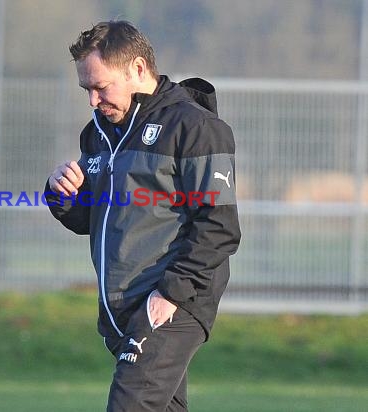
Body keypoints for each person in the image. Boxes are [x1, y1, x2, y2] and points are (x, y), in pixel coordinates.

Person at [44, 20, 241, 412]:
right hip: (122, 307)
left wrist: (171, 292)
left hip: (171, 300)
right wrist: (62, 194)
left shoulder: (196, 128)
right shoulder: (98, 131)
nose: (93, 100)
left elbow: (219, 226)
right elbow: (91, 219)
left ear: (137, 69)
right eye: (87, 89)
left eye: (101, 87)